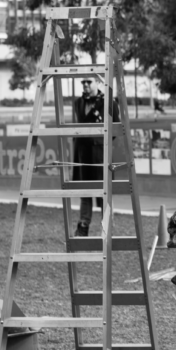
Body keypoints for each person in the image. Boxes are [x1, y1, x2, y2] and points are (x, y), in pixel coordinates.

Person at [73, 77, 120, 237]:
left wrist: (100, 143)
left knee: (103, 193)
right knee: (84, 191)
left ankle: (107, 229)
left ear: (98, 83)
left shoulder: (109, 102)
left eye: (88, 82)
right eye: (83, 82)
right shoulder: (78, 102)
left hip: (100, 154)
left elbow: (116, 128)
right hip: (81, 153)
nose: (85, 85)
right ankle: (82, 227)